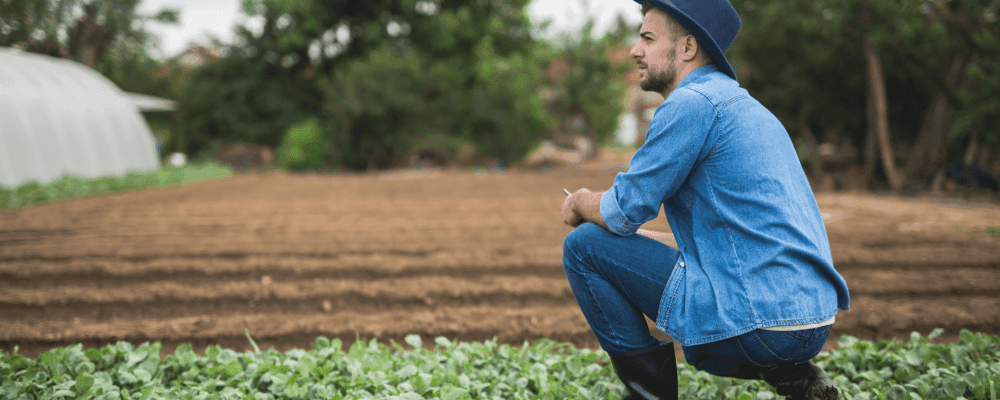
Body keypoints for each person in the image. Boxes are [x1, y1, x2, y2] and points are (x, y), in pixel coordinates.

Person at [559, 1, 851, 399]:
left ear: (687, 48)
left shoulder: (691, 104)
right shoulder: (747, 107)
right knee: (626, 251)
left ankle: (649, 395)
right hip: (810, 322)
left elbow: (622, 210)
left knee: (583, 247)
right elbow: (719, 244)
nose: (634, 50)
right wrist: (634, 238)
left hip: (759, 322)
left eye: (647, 38)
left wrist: (580, 202)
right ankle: (796, 379)